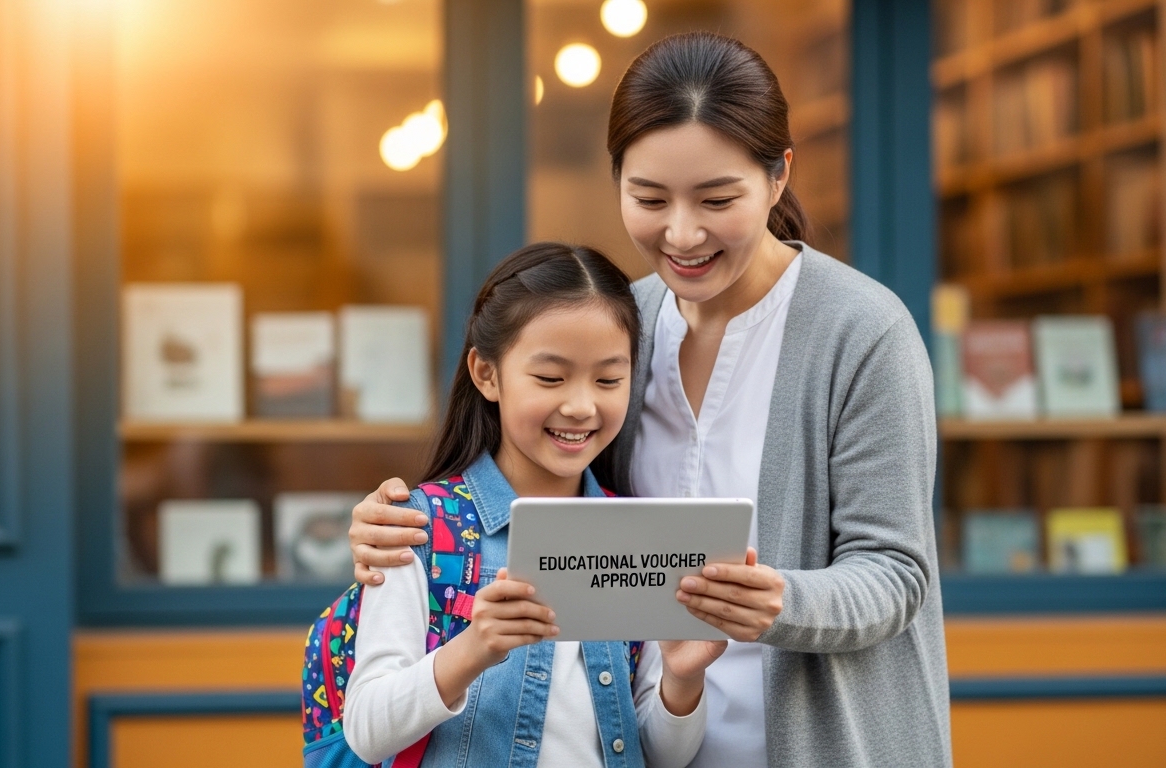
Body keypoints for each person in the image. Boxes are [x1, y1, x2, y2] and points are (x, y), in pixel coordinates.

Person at [346, 32, 952, 767]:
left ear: (778, 178)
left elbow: (896, 572)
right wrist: (398, 528)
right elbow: (542, 487)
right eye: (650, 199)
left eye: (717, 199)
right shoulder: (620, 328)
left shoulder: (862, 331)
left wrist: (776, 602)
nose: (682, 233)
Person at [328, 242, 725, 768]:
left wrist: (683, 676)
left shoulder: (635, 533)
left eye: (609, 379)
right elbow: (366, 730)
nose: (581, 405)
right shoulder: (418, 530)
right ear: (486, 373)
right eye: (550, 378)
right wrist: (474, 648)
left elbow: (660, 754)